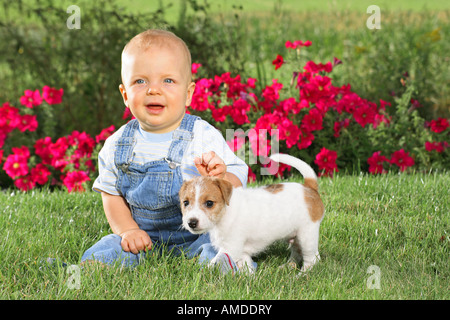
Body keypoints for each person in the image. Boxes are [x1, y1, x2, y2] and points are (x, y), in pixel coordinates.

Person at [80, 29, 248, 272]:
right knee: (111, 248)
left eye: (167, 80)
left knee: (219, 245)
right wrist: (128, 230)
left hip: (199, 232)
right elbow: (111, 195)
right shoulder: (116, 145)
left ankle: (226, 265)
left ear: (188, 93)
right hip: (143, 237)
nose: (153, 89)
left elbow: (238, 178)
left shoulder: (202, 135)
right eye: (140, 81)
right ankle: (91, 268)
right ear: (125, 95)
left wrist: (220, 178)